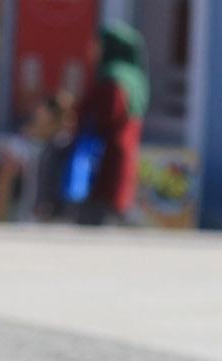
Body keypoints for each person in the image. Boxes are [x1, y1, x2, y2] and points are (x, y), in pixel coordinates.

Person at [74, 21, 147, 226]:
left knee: (104, 210)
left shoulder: (114, 77)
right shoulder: (135, 76)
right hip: (125, 152)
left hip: (106, 155)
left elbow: (109, 114)